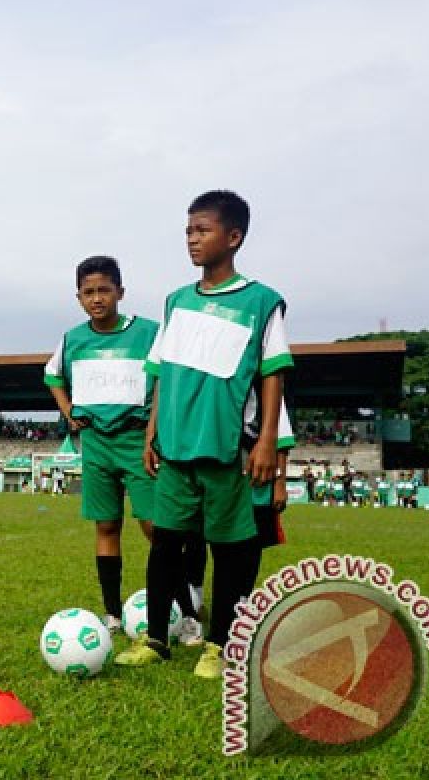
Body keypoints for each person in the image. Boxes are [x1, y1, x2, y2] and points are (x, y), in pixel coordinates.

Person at [116, 190, 292, 680]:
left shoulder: (261, 302)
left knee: (231, 550)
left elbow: (273, 373)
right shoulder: (176, 302)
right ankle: (155, 639)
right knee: (166, 544)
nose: (192, 239)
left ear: (233, 237)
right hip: (174, 448)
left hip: (226, 450)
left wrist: (267, 443)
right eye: (189, 231)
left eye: (203, 230)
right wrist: (151, 430)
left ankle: (219, 645)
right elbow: (161, 370)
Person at [45, 255, 201, 640]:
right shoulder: (72, 339)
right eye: (88, 292)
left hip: (138, 440)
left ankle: (189, 615)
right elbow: (52, 374)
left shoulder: (148, 332)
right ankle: (112, 614)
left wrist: (154, 430)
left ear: (120, 292)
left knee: (156, 530)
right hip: (96, 442)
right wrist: (68, 411)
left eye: (103, 290)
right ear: (79, 297)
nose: (96, 299)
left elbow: (167, 377)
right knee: (107, 525)